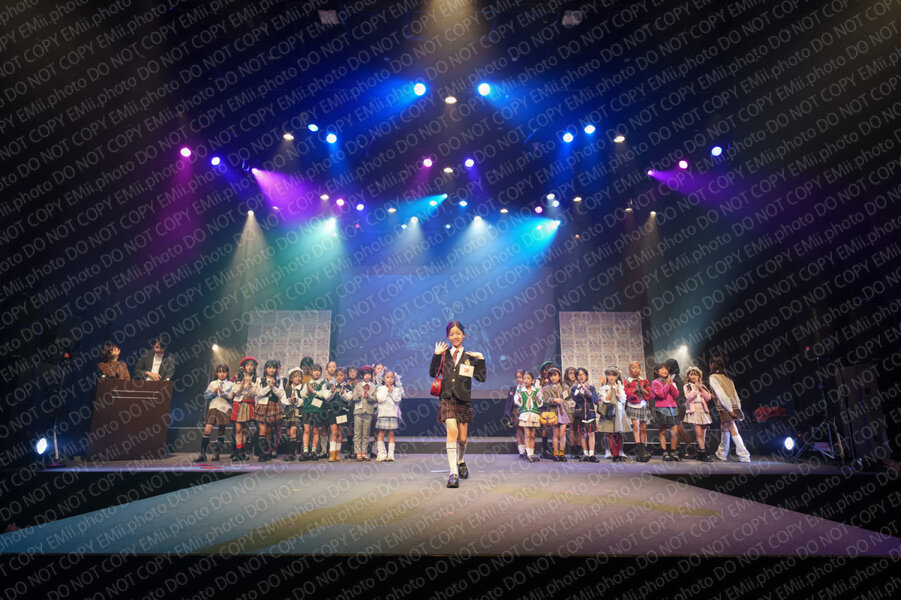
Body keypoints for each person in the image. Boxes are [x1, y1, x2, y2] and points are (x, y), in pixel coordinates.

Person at [429, 321, 486, 488]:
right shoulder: (443, 354)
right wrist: (436, 355)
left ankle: (460, 460)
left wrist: (481, 359)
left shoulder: (470, 357)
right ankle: (453, 473)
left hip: (463, 400)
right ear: (448, 336)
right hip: (446, 398)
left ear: (464, 335)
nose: (455, 336)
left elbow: (481, 378)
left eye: (458, 333)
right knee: (452, 431)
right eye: (452, 334)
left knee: (462, 439)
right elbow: (433, 373)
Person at [708, 357, 751, 463]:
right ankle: (722, 453)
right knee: (724, 426)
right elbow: (735, 394)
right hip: (732, 405)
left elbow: (720, 394)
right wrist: (738, 408)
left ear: (712, 365)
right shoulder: (728, 378)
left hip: (725, 406)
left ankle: (744, 455)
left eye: (710, 364)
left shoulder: (713, 377)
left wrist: (730, 408)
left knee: (732, 427)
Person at [194, 365, 234, 463]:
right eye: (220, 371)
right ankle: (203, 454)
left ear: (227, 373)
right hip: (214, 407)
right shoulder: (213, 383)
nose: (222, 374)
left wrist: (223, 392)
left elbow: (231, 396)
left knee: (221, 431)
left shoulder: (230, 384)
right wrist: (214, 392)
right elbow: (206, 396)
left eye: (224, 372)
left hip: (224, 408)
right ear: (216, 373)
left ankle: (217, 454)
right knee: (207, 429)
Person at [255, 360, 287, 462]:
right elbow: (258, 393)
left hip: (273, 405)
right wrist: (268, 386)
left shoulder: (279, 380)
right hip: (263, 405)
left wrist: (273, 387)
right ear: (265, 369)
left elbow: (281, 394)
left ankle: (269, 451)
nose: (271, 370)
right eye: (269, 367)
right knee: (263, 430)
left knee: (270, 430)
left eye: (273, 368)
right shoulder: (260, 380)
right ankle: (262, 453)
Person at [597, 367, 629, 462]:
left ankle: (620, 451)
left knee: (620, 432)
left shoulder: (620, 387)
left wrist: (619, 391)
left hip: (619, 411)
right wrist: (610, 391)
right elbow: (604, 400)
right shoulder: (604, 388)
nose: (611, 377)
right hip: (608, 411)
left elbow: (623, 400)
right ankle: (608, 450)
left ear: (617, 376)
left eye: (613, 375)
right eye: (609, 375)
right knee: (608, 431)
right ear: (606, 376)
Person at [230, 357, 259, 461]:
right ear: (244, 367)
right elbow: (235, 391)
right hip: (239, 404)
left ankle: (243, 451)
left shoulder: (256, 379)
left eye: (252, 365)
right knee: (238, 429)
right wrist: (242, 385)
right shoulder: (238, 377)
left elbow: (256, 393)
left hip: (249, 404)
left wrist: (250, 385)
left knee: (245, 429)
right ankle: (238, 451)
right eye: (248, 365)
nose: (250, 367)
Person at [301, 363, 331, 461]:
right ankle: (305, 450)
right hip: (307, 409)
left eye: (318, 370)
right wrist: (306, 392)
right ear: (311, 372)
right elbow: (302, 394)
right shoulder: (307, 383)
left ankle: (314, 450)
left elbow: (324, 394)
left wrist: (314, 391)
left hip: (317, 410)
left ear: (321, 372)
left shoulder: (323, 383)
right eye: (314, 370)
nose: (316, 372)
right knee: (306, 430)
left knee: (315, 430)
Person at [683, 366, 714, 462]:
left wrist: (700, 388)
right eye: (691, 375)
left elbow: (708, 397)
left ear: (699, 376)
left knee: (703, 433)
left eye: (695, 375)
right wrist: (695, 388)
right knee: (699, 433)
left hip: (703, 410)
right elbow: (688, 397)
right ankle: (703, 453)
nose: (693, 376)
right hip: (694, 409)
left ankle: (700, 452)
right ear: (688, 376)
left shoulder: (703, 386)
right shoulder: (687, 386)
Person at [624, 361, 652, 462]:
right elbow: (626, 394)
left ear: (640, 369)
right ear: (630, 369)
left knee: (643, 428)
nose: (635, 370)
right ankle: (639, 450)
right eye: (633, 368)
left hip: (642, 405)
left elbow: (650, 394)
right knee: (636, 427)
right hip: (633, 405)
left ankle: (643, 448)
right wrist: (634, 390)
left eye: (637, 368)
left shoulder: (644, 381)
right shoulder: (627, 381)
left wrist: (643, 390)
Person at [652, 363, 681, 461]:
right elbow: (661, 394)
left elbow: (676, 395)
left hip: (672, 408)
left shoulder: (671, 381)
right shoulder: (655, 382)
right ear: (657, 372)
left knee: (675, 431)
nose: (665, 371)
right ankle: (664, 452)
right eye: (662, 369)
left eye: (666, 369)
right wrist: (667, 385)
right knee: (662, 430)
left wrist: (670, 384)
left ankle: (673, 451)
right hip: (661, 408)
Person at [666, 358, 693, 459]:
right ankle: (678, 450)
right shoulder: (669, 377)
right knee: (674, 429)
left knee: (679, 428)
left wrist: (679, 407)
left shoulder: (677, 379)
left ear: (671, 367)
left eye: (667, 366)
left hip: (679, 406)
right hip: (672, 407)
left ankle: (690, 447)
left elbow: (681, 395)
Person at [571, 368, 599, 462]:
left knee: (591, 434)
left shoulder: (591, 388)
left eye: (583, 374)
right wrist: (581, 392)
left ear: (586, 376)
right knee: (583, 435)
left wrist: (588, 392)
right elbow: (576, 399)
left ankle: (592, 454)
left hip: (590, 414)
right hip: (580, 414)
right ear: (576, 377)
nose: (581, 376)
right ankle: (585, 454)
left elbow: (595, 400)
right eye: (579, 375)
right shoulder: (574, 388)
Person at [542, 368, 570, 462]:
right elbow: (545, 400)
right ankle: (556, 454)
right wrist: (553, 400)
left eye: (555, 375)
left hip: (563, 412)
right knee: (555, 434)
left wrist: (564, 403)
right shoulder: (546, 388)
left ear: (559, 376)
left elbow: (568, 398)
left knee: (562, 433)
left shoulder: (565, 387)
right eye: (551, 376)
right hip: (553, 412)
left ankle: (562, 454)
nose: (553, 377)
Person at [515, 371, 543, 463]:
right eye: (524, 379)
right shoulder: (520, 391)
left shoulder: (536, 391)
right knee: (527, 434)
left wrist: (539, 398)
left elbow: (539, 403)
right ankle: (529, 454)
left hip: (534, 414)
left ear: (532, 380)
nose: (526, 380)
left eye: (528, 378)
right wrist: (519, 399)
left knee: (533, 435)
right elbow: (518, 402)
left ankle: (532, 453)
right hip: (525, 415)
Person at [375, 370, 403, 461]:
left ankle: (391, 454)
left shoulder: (397, 389)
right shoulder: (380, 389)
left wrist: (392, 392)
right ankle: (381, 453)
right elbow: (380, 399)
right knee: (381, 433)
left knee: (391, 434)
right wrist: (387, 392)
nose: (390, 380)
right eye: (387, 377)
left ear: (394, 379)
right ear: (383, 379)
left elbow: (397, 399)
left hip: (392, 414)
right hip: (383, 414)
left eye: (392, 378)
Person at [352, 365, 377, 461]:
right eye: (365, 374)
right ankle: (358, 452)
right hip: (358, 412)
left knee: (366, 433)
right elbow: (353, 398)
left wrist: (368, 395)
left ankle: (364, 452)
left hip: (368, 411)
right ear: (362, 376)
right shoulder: (357, 385)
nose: (367, 376)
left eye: (369, 374)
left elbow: (375, 399)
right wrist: (358, 396)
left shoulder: (373, 386)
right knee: (357, 433)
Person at [282, 368, 304, 461]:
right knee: (288, 432)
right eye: (295, 376)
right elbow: (283, 400)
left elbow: (303, 401)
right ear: (291, 378)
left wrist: (296, 400)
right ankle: (290, 452)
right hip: (288, 412)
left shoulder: (302, 389)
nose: (298, 378)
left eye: (299, 376)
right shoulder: (287, 389)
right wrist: (290, 400)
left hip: (297, 412)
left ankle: (292, 454)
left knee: (293, 431)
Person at [505, 370, 526, 458]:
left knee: (527, 431)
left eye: (520, 377)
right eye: (517, 377)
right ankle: (522, 451)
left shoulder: (528, 388)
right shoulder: (513, 389)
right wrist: (507, 412)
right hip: (517, 411)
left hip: (526, 411)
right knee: (519, 431)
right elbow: (509, 402)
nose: (518, 379)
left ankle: (528, 450)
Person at [563, 367, 579, 459]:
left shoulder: (579, 383)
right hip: (570, 409)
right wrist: (574, 387)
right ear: (567, 375)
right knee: (572, 429)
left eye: (574, 373)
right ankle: (573, 450)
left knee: (579, 430)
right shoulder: (564, 384)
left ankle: (580, 450)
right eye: (570, 373)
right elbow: (565, 396)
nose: (573, 375)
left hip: (579, 408)